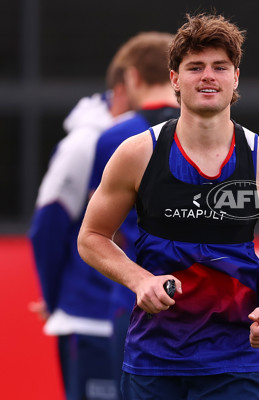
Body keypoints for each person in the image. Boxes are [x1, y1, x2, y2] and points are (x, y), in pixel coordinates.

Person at [78, 12, 259, 400]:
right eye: (195, 67)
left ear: (236, 78)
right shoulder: (137, 153)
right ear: (175, 79)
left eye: (220, 66)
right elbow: (91, 237)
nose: (208, 76)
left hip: (237, 360)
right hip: (154, 359)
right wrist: (139, 280)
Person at [29, 41, 133, 400]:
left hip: (135, 316)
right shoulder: (84, 143)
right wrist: (57, 298)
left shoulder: (156, 137)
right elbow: (48, 225)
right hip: (91, 316)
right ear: (125, 87)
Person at [86, 31, 180, 397]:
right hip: (210, 304)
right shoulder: (218, 134)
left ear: (133, 78)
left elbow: (98, 231)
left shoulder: (117, 138)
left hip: (136, 297)